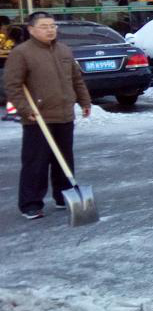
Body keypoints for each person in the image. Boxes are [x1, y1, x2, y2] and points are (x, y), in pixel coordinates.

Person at [4, 12, 91, 220]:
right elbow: (12, 86)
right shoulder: (21, 53)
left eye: (52, 26)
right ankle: (31, 203)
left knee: (64, 159)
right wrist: (26, 109)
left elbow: (76, 79)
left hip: (64, 113)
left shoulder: (64, 50)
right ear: (31, 29)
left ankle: (63, 196)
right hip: (37, 117)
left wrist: (84, 101)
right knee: (36, 162)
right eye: (44, 26)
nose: (50, 29)